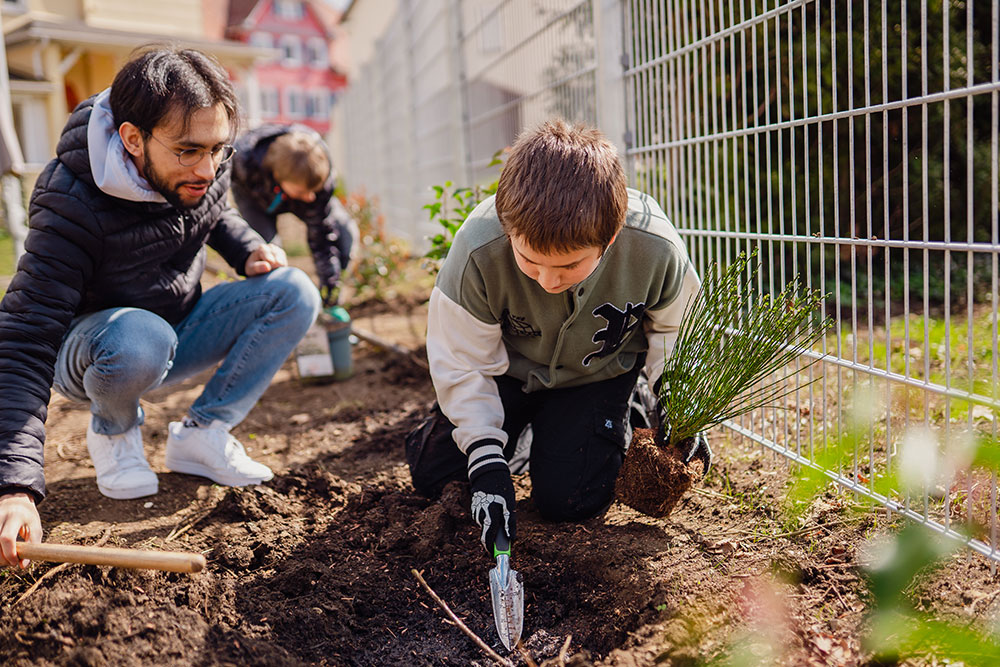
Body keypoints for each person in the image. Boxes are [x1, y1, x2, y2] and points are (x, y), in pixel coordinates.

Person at [0, 47, 321, 568]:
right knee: (141, 336)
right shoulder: (69, 201)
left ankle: (203, 434)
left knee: (293, 290)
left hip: (174, 329)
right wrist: (14, 485)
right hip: (97, 351)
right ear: (131, 139)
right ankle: (114, 431)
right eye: (189, 151)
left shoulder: (204, 162)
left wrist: (247, 250)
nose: (209, 167)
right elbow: (24, 337)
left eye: (220, 150)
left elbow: (214, 215)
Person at [406, 119, 710, 558]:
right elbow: (463, 362)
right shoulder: (477, 249)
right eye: (529, 261)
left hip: (595, 374)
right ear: (509, 227)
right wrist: (487, 462)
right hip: (504, 373)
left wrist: (684, 407)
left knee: (570, 502)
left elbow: (678, 331)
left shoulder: (654, 247)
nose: (548, 280)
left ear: (609, 238)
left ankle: (631, 404)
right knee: (438, 478)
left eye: (568, 266)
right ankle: (507, 437)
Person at [231, 124, 356, 318]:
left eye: (313, 191)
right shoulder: (243, 163)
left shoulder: (316, 184)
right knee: (266, 252)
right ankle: (273, 311)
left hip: (290, 188)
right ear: (278, 178)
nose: (310, 198)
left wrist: (331, 293)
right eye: (302, 192)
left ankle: (330, 299)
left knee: (344, 234)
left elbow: (323, 240)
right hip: (254, 197)